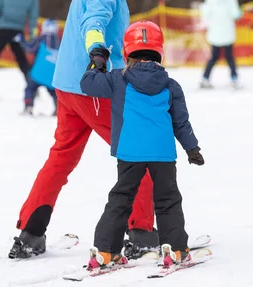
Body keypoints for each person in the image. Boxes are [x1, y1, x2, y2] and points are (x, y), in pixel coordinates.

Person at [8, 0, 159, 259]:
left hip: (68, 86)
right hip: (95, 87)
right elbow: (93, 23)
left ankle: (31, 232)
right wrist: (97, 52)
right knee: (140, 150)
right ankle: (142, 232)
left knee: (62, 156)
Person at [79, 20, 205, 269]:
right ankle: (176, 249)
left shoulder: (117, 79)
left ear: (127, 51)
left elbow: (87, 83)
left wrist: (98, 62)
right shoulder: (171, 85)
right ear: (159, 50)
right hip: (162, 154)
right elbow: (181, 123)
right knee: (168, 200)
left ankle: (106, 251)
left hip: (130, 152)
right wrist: (192, 149)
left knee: (121, 198)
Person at [0, 0, 39, 96]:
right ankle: (33, 87)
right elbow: (33, 17)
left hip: (0, 31)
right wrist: (33, 34)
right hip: (17, 32)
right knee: (23, 61)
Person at [14, 19, 60, 116]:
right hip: (53, 75)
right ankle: (58, 108)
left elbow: (30, 48)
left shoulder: (41, 39)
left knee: (30, 88)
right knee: (54, 92)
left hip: (38, 73)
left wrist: (22, 40)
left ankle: (28, 107)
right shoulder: (60, 42)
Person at [199, 0, 242, 89]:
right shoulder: (231, 1)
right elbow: (236, 14)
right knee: (229, 57)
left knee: (214, 57)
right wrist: (240, 12)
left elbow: (205, 13)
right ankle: (234, 78)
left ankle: (205, 78)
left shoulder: (210, 1)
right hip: (227, 34)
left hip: (215, 34)